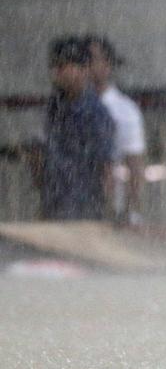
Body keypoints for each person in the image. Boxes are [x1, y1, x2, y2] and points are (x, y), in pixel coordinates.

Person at [40, 36, 115, 220]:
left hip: (84, 206)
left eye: (64, 66)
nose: (57, 73)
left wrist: (108, 210)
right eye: (55, 67)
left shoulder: (95, 113)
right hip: (55, 203)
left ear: (84, 69)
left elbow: (105, 167)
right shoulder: (55, 106)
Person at [86, 35, 147, 226]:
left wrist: (132, 211)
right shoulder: (64, 107)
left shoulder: (124, 109)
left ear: (108, 65)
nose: (87, 66)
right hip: (73, 207)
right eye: (83, 60)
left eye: (92, 59)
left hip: (110, 211)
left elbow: (135, 166)